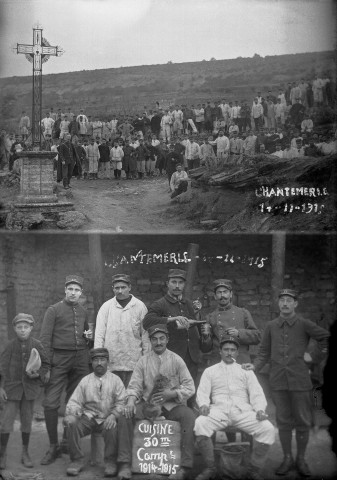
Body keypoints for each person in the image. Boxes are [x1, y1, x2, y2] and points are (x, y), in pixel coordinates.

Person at [242, 289, 329, 477]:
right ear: (278, 304)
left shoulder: (304, 324)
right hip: (278, 381)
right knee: (283, 421)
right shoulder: (271, 326)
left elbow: (325, 337)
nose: (285, 304)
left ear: (295, 304)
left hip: (300, 382)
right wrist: (255, 366)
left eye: (289, 300)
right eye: (282, 300)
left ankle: (301, 459)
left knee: (303, 421)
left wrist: (312, 357)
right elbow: (264, 351)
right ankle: (287, 457)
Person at [194, 335, 275, 480]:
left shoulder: (246, 371)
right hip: (218, 412)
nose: (229, 352)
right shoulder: (210, 371)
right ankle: (210, 468)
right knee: (200, 423)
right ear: (220, 351)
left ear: (237, 353)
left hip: (243, 412)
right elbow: (203, 392)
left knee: (267, 428)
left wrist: (260, 410)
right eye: (226, 349)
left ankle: (253, 470)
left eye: (232, 350)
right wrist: (204, 405)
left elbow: (256, 393)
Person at [123, 324, 196, 480]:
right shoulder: (143, 361)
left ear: (167, 339)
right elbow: (134, 385)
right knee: (125, 415)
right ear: (150, 341)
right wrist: (130, 401)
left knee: (189, 416)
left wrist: (172, 393)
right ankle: (125, 463)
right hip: (148, 404)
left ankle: (184, 467)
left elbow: (190, 387)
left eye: (162, 338)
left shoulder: (177, 360)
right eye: (154, 339)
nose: (158, 342)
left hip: (172, 406)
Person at [39, 275, 93, 465]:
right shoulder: (53, 310)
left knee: (75, 402)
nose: (73, 293)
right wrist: (46, 366)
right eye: (70, 289)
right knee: (50, 403)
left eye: (77, 290)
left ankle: (66, 441)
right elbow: (44, 339)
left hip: (79, 360)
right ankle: (53, 446)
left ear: (81, 293)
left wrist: (89, 338)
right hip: (58, 360)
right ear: (65, 290)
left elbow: (87, 337)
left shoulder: (83, 311)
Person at [63, 348, 131, 477]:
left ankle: (110, 462)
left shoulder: (115, 380)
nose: (99, 363)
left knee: (113, 428)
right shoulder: (85, 381)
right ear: (92, 363)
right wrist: (73, 413)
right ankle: (76, 461)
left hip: (107, 418)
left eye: (102, 359)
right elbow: (74, 402)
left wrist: (113, 415)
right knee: (71, 423)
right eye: (96, 360)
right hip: (88, 418)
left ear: (107, 362)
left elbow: (122, 402)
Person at [143, 269, 212, 385]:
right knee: (172, 393)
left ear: (184, 285)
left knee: (190, 393)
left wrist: (198, 317)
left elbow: (196, 326)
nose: (177, 286)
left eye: (180, 283)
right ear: (167, 284)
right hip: (171, 357)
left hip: (192, 358)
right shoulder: (160, 304)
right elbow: (147, 322)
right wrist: (172, 319)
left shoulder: (189, 304)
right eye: (173, 282)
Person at [0, 314, 50, 470]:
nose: (23, 330)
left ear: (31, 328)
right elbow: (1, 368)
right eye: (19, 327)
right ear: (15, 328)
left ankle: (25, 453)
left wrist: (38, 374)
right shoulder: (9, 346)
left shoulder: (37, 345)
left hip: (29, 390)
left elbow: (46, 365)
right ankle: (2, 454)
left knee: (27, 422)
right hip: (11, 390)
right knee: (6, 423)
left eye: (26, 327)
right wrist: (0, 387)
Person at [94, 274, 149, 387]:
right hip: (111, 361)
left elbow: (145, 336)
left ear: (129, 287)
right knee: (111, 396)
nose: (120, 291)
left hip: (133, 362)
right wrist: (98, 359)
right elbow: (99, 335)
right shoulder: (106, 307)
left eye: (123, 287)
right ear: (113, 288)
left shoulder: (140, 306)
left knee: (132, 396)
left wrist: (146, 359)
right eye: (117, 288)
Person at [205, 279, 261, 365]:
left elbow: (257, 337)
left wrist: (239, 333)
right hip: (219, 362)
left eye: (225, 292)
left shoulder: (243, 313)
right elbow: (206, 348)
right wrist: (205, 337)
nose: (222, 295)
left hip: (240, 362)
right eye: (219, 292)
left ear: (231, 294)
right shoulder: (210, 317)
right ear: (215, 296)